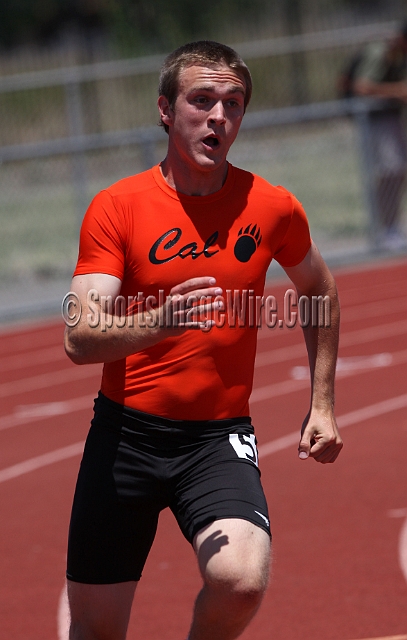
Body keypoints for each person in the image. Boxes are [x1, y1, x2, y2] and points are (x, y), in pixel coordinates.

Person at [63, 40, 343, 640]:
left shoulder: (272, 207)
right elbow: (80, 337)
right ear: (166, 110)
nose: (219, 115)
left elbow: (319, 290)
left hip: (218, 437)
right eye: (202, 100)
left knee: (241, 580)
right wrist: (161, 322)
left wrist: (322, 402)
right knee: (95, 629)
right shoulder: (117, 207)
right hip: (126, 436)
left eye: (233, 103)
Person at [351, 23, 407, 250]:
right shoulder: (380, 51)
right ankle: (385, 228)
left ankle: (390, 226)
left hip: (389, 118)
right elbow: (361, 87)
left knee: (396, 170)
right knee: (390, 169)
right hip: (374, 119)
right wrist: (397, 91)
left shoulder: (397, 56)